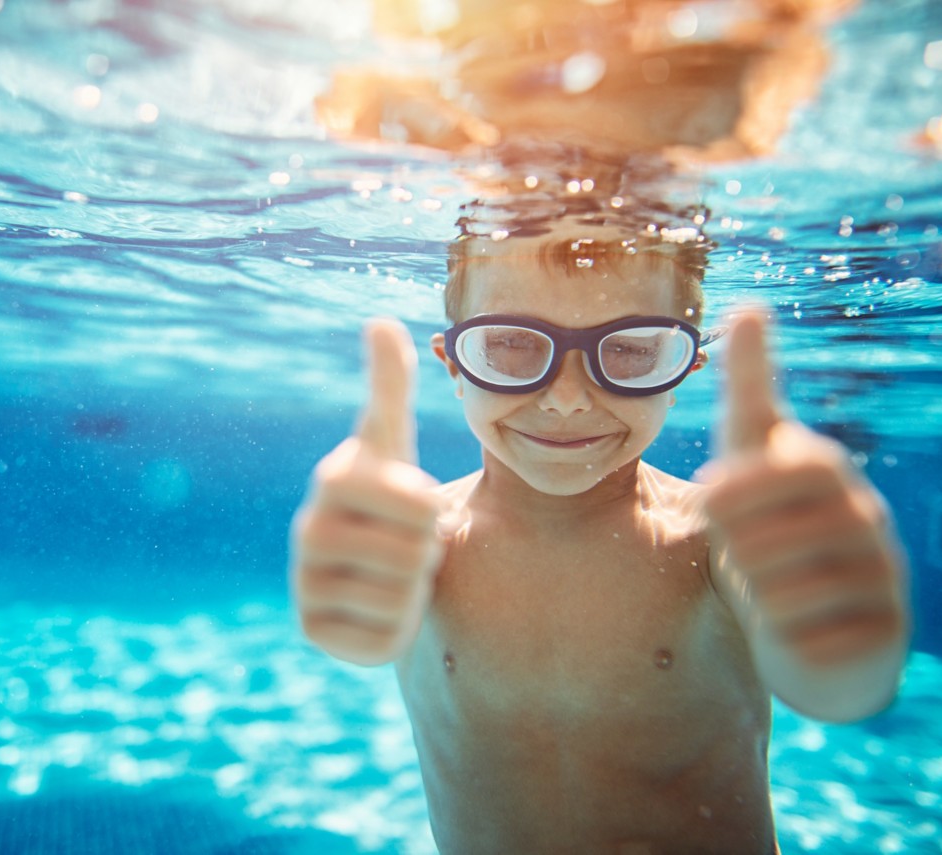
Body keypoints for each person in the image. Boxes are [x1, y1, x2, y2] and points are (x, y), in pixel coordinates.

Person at [288, 213, 909, 853]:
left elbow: (836, 689)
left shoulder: (710, 541)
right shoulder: (420, 545)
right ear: (454, 363)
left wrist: (847, 651)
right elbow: (362, 638)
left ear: (684, 367)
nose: (567, 399)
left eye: (631, 351)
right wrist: (344, 614)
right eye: (511, 343)